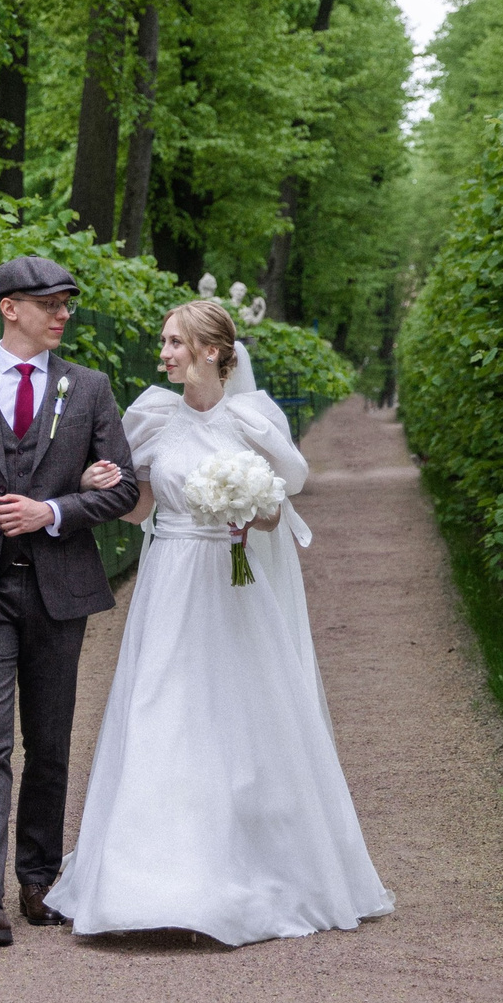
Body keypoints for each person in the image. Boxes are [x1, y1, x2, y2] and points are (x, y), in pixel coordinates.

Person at [43, 298, 392, 945]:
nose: (164, 353)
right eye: (164, 341)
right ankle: (140, 881)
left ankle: (244, 867)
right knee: (157, 711)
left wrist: (250, 510)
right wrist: (104, 482)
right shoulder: (150, 416)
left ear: (211, 350)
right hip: (169, 577)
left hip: (231, 582)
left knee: (240, 715)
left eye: (175, 342)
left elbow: (275, 507)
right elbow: (138, 504)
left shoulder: (253, 419)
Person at [0, 257, 140, 949]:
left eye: (67, 301)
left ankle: (38, 880)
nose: (62, 312)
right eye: (49, 302)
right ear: (9, 307)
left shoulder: (90, 388)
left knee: (48, 740)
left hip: (58, 590)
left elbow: (125, 488)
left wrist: (55, 509)